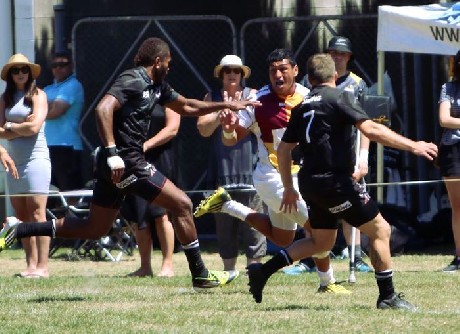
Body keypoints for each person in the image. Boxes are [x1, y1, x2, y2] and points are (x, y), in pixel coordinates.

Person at [0, 37, 260, 290]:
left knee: (95, 228)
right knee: (183, 204)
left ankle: (20, 228)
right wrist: (113, 152)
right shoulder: (133, 78)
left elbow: (189, 106)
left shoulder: (159, 86)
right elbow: (103, 109)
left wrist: (227, 104)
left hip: (119, 164)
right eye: (168, 62)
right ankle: (201, 275)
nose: (170, 67)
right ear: (158, 61)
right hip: (125, 160)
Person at [246, 53, 437, 309]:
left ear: (309, 78)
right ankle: (387, 296)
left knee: (322, 242)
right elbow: (371, 129)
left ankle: (264, 271)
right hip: (334, 182)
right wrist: (413, 145)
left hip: (309, 183)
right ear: (335, 75)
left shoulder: (301, 106)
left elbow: (284, 150)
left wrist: (290, 188)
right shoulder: (339, 98)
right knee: (381, 230)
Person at [195, 48, 350, 294]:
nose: (278, 75)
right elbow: (231, 139)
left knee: (282, 239)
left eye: (283, 69)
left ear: (295, 71)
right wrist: (227, 128)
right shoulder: (259, 101)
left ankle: (227, 205)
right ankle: (326, 281)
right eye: (273, 70)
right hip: (273, 178)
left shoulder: (308, 96)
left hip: (304, 176)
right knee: (317, 231)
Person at [288, 36, 372, 275]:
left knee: (351, 204)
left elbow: (367, 123)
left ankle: (354, 255)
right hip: (317, 154)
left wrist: (363, 157)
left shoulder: (357, 84)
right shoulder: (310, 79)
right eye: (333, 52)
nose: (337, 57)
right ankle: (310, 259)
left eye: (342, 54)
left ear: (349, 57)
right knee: (314, 208)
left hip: (347, 152)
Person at [196, 55, 266, 277]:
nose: (232, 74)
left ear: (242, 74)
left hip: (252, 172)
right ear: (222, 75)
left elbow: (258, 123)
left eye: (237, 70)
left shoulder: (253, 95)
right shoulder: (212, 97)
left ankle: (254, 270)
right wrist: (221, 111)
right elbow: (203, 129)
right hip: (222, 172)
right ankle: (229, 273)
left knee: (255, 225)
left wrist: (238, 111)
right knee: (225, 228)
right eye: (228, 71)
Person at [0, 54, 51, 278]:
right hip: (13, 160)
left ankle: (43, 267)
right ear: (10, 75)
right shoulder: (5, 98)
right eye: (15, 70)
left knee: (38, 213)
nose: (20, 73)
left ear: (30, 72)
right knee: (21, 215)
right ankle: (30, 265)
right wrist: (18, 125)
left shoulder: (39, 95)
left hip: (37, 158)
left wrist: (10, 126)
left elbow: (34, 128)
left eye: (24, 69)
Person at [122, 105, 179, 277]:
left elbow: (172, 128)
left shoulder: (168, 97)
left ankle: (167, 265)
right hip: (135, 159)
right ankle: (145, 267)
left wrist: (146, 145)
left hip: (161, 159)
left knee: (161, 214)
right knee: (140, 217)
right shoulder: (133, 95)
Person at [43, 50, 84, 191]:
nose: (58, 68)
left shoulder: (73, 85)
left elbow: (56, 111)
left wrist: (43, 108)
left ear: (71, 66)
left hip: (67, 147)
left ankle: (71, 215)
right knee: (51, 193)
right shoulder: (48, 88)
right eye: (54, 65)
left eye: (62, 64)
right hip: (48, 147)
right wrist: (48, 105)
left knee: (69, 192)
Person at [437, 49, 460, 272]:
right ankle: (459, 257)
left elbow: (452, 119)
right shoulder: (448, 88)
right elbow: (444, 119)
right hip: (453, 149)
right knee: (458, 207)